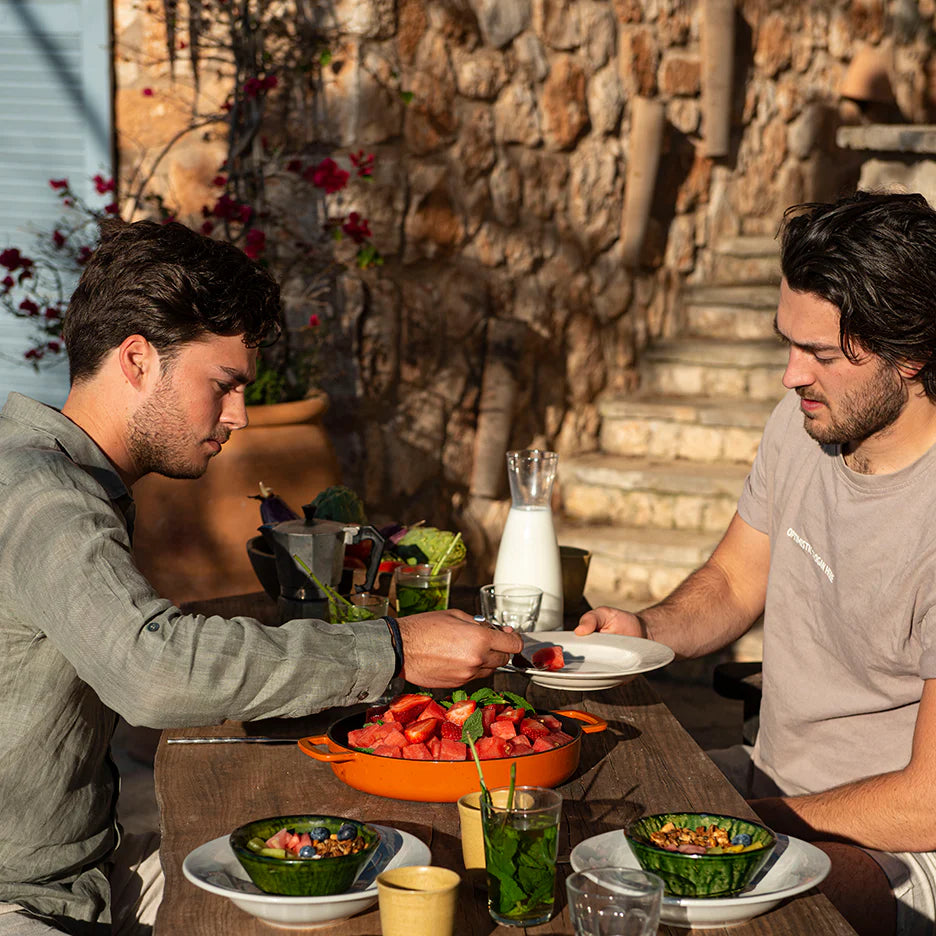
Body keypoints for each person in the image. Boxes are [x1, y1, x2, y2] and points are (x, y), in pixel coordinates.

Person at [0, 218, 521, 936]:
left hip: (88, 875)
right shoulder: (42, 497)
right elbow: (154, 669)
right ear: (137, 360)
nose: (239, 417)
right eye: (225, 384)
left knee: (348, 884)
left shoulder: (55, 478)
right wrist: (394, 649)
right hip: (23, 903)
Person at [576, 191, 936, 936]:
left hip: (900, 845)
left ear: (912, 354)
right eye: (788, 343)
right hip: (770, 783)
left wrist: (740, 820)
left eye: (823, 355)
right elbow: (735, 581)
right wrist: (641, 629)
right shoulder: (805, 423)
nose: (791, 376)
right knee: (571, 824)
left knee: (710, 914)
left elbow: (926, 801)